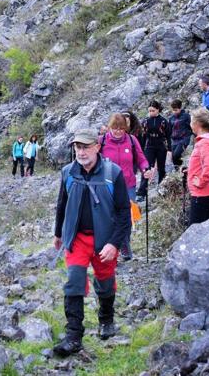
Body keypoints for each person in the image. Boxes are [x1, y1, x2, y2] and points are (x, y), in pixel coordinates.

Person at [53, 128, 131, 357]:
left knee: (105, 282)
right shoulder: (68, 172)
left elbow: (124, 213)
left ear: (97, 147)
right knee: (74, 281)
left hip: (105, 240)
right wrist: (59, 234)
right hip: (77, 238)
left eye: (86, 146)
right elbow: (62, 205)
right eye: (78, 147)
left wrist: (114, 244)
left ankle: (106, 320)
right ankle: (73, 336)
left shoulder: (112, 173)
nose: (81, 151)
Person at [99, 113, 153, 261]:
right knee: (110, 217)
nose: (117, 131)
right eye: (115, 128)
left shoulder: (131, 140)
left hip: (128, 184)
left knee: (127, 217)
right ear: (110, 127)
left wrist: (146, 169)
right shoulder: (102, 141)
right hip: (107, 185)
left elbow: (141, 159)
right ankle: (113, 247)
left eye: (121, 128)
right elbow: (94, 160)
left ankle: (124, 244)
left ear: (126, 128)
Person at [136, 100, 171, 201]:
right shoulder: (146, 121)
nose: (151, 112)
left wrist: (170, 149)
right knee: (146, 168)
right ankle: (142, 192)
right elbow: (142, 136)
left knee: (161, 168)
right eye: (149, 111)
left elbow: (168, 136)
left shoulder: (164, 121)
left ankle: (161, 188)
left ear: (158, 110)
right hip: (149, 146)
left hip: (161, 146)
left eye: (153, 110)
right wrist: (141, 150)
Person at [169, 100, 192, 169]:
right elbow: (169, 129)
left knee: (176, 155)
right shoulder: (171, 118)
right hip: (174, 140)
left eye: (176, 110)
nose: (174, 112)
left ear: (180, 108)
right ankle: (179, 171)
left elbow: (191, 126)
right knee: (173, 157)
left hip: (184, 139)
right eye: (173, 110)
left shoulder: (186, 116)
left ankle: (182, 170)